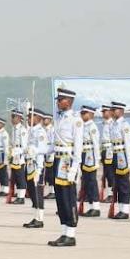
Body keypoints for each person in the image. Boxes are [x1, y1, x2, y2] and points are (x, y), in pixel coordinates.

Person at [47, 88, 83, 247]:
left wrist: (75, 169)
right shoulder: (59, 118)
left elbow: (78, 147)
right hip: (58, 159)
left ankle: (71, 234)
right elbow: (54, 143)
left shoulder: (76, 121)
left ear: (68, 101)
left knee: (69, 197)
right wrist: (39, 151)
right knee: (60, 199)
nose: (58, 102)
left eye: (60, 99)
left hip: (68, 162)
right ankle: (63, 232)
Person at [23, 109, 49, 228]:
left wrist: (38, 170)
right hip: (30, 165)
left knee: (38, 191)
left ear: (38, 118)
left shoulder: (40, 132)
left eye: (30, 117)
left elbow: (41, 152)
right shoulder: (32, 131)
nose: (28, 119)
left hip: (37, 166)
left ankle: (40, 218)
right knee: (32, 191)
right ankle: (35, 216)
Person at [109, 101, 130, 219]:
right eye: (112, 110)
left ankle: (125, 210)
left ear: (121, 111)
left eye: (115, 110)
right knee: (117, 183)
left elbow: (128, 145)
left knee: (124, 183)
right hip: (115, 155)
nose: (113, 112)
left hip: (123, 156)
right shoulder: (113, 124)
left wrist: (129, 162)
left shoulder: (125, 125)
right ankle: (120, 209)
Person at [78, 105, 101, 217]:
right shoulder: (82, 126)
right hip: (83, 154)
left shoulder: (92, 127)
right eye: (82, 113)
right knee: (86, 181)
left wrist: (97, 160)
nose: (82, 115)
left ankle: (95, 207)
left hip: (90, 155)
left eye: (85, 113)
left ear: (91, 114)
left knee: (92, 181)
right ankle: (91, 205)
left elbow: (96, 144)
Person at [9, 109, 28, 204]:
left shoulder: (22, 130)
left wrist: (20, 155)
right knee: (15, 176)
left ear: (19, 118)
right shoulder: (13, 128)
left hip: (19, 154)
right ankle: (18, 194)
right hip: (14, 153)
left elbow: (24, 146)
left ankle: (21, 197)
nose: (12, 118)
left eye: (14, 117)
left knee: (20, 176)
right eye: (12, 116)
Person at [100, 104, 115, 203]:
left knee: (110, 174)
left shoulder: (112, 124)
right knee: (106, 173)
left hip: (110, 150)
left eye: (105, 111)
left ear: (110, 112)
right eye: (103, 111)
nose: (103, 113)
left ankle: (112, 194)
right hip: (105, 149)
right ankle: (109, 193)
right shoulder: (104, 124)